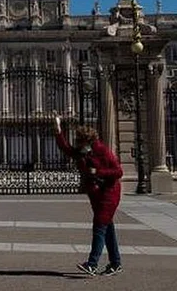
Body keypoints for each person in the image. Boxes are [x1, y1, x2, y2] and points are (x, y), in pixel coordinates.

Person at [53, 115, 124, 276]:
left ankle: (92, 264)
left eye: (80, 141)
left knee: (99, 227)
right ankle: (116, 263)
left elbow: (118, 172)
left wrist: (98, 171)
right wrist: (58, 131)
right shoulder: (81, 151)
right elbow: (66, 148)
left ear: (89, 141)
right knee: (107, 228)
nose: (78, 145)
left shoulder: (102, 151)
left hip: (109, 193)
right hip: (96, 195)